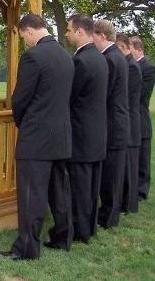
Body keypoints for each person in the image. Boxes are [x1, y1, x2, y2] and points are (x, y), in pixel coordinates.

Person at [0, 14, 74, 260]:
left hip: (37, 136)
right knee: (58, 191)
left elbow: (20, 98)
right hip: (61, 135)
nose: (25, 42)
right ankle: (63, 237)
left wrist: (22, 122)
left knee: (31, 193)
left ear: (29, 30)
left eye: (23, 37)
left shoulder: (33, 57)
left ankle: (27, 248)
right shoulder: (66, 56)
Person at [64, 15, 108, 243]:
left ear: (80, 31)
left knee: (79, 186)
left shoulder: (81, 61)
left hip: (81, 133)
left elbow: (71, 97)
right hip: (97, 133)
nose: (66, 33)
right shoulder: (100, 58)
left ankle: (79, 231)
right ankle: (89, 227)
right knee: (91, 187)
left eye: (69, 30)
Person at [93, 20, 129, 229]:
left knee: (110, 175)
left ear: (102, 36)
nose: (94, 40)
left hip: (114, 124)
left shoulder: (110, 59)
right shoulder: (117, 56)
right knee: (112, 173)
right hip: (118, 121)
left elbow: (104, 93)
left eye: (95, 36)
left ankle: (108, 216)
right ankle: (109, 213)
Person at [116, 34, 142, 213]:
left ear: (124, 47)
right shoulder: (128, 64)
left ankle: (129, 204)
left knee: (130, 168)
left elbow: (127, 97)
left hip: (131, 125)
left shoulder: (131, 67)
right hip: (128, 122)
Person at [129, 36, 155, 201]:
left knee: (143, 158)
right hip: (132, 117)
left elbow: (142, 94)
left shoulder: (148, 68)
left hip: (141, 117)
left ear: (138, 49)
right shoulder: (132, 66)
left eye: (130, 48)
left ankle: (141, 190)